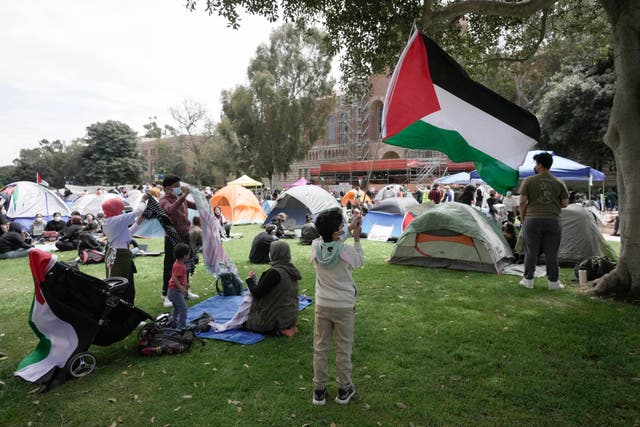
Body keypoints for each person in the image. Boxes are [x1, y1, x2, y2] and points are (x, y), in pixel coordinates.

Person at [311, 208, 364, 406]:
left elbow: (332, 244)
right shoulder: (346, 250)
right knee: (343, 349)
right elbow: (358, 262)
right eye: (341, 227)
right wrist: (357, 239)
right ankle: (344, 388)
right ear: (335, 233)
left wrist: (350, 228)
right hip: (343, 307)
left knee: (320, 348)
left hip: (322, 305)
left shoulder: (316, 246)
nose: (344, 230)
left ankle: (319, 390)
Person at [518, 152, 569, 290]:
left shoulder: (528, 181)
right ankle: (553, 283)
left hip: (532, 219)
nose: (535, 166)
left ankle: (528, 280)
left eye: (536, 163)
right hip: (553, 220)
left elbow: (522, 202)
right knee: (552, 253)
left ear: (539, 165)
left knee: (531, 251)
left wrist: (523, 219)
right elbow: (565, 203)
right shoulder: (559, 182)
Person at [243, 240, 301, 334]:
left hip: (275, 319)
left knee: (242, 321)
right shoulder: (291, 269)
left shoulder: (274, 272)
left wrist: (249, 280)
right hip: (291, 316)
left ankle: (278, 329)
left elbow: (257, 293)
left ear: (274, 253)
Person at [159, 176, 198, 307]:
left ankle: (185, 290)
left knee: (186, 263)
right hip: (171, 237)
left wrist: (202, 198)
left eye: (179, 185)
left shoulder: (180, 199)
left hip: (185, 234)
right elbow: (170, 210)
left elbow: (195, 205)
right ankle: (166, 294)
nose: (179, 188)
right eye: (176, 186)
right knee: (170, 265)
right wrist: (183, 196)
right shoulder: (164, 201)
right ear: (168, 188)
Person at [101, 195, 148, 302]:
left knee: (126, 285)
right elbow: (139, 210)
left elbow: (127, 234)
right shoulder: (115, 220)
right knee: (120, 285)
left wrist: (138, 222)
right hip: (119, 256)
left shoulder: (110, 221)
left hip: (118, 254)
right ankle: (120, 309)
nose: (122, 210)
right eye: (120, 208)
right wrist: (143, 199)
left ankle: (126, 308)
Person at [168, 243, 192, 329]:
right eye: (189, 254)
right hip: (175, 291)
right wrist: (181, 288)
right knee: (183, 309)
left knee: (176, 308)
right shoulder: (180, 266)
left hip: (172, 291)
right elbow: (174, 278)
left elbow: (179, 277)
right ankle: (181, 326)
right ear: (185, 256)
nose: (189, 255)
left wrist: (185, 284)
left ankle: (174, 323)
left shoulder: (177, 263)